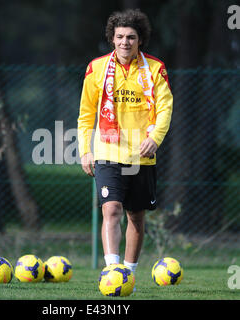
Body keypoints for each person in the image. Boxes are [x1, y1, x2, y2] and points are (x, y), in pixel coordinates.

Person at [77, 9, 173, 277]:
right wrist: (85, 150)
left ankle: (128, 273)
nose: (124, 42)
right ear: (112, 38)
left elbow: (165, 108)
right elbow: (86, 113)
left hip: (142, 154)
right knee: (112, 209)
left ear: (140, 40)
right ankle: (112, 273)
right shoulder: (96, 68)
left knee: (136, 217)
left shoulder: (155, 68)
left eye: (131, 37)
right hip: (108, 151)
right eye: (119, 37)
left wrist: (155, 138)